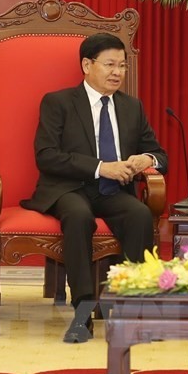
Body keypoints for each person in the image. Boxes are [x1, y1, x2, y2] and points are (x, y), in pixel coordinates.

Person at [21, 33, 168, 343]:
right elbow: (46, 156)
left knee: (140, 214)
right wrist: (103, 167)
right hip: (68, 189)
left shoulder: (131, 107)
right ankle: (82, 312)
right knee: (77, 216)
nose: (117, 72)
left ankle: (133, 309)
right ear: (87, 65)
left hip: (113, 192)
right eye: (110, 64)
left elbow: (160, 155)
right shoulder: (58, 102)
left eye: (122, 66)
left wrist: (145, 159)